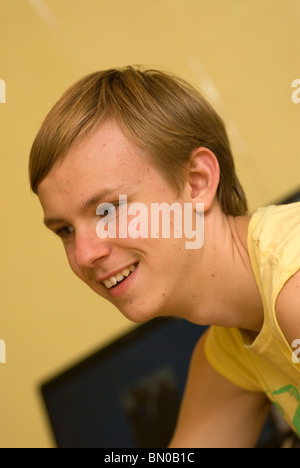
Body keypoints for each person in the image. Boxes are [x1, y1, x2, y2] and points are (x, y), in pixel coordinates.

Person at [29, 66, 300, 447]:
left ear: (197, 182)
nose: (85, 254)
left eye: (108, 209)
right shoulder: (227, 353)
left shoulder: (292, 278)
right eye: (66, 231)